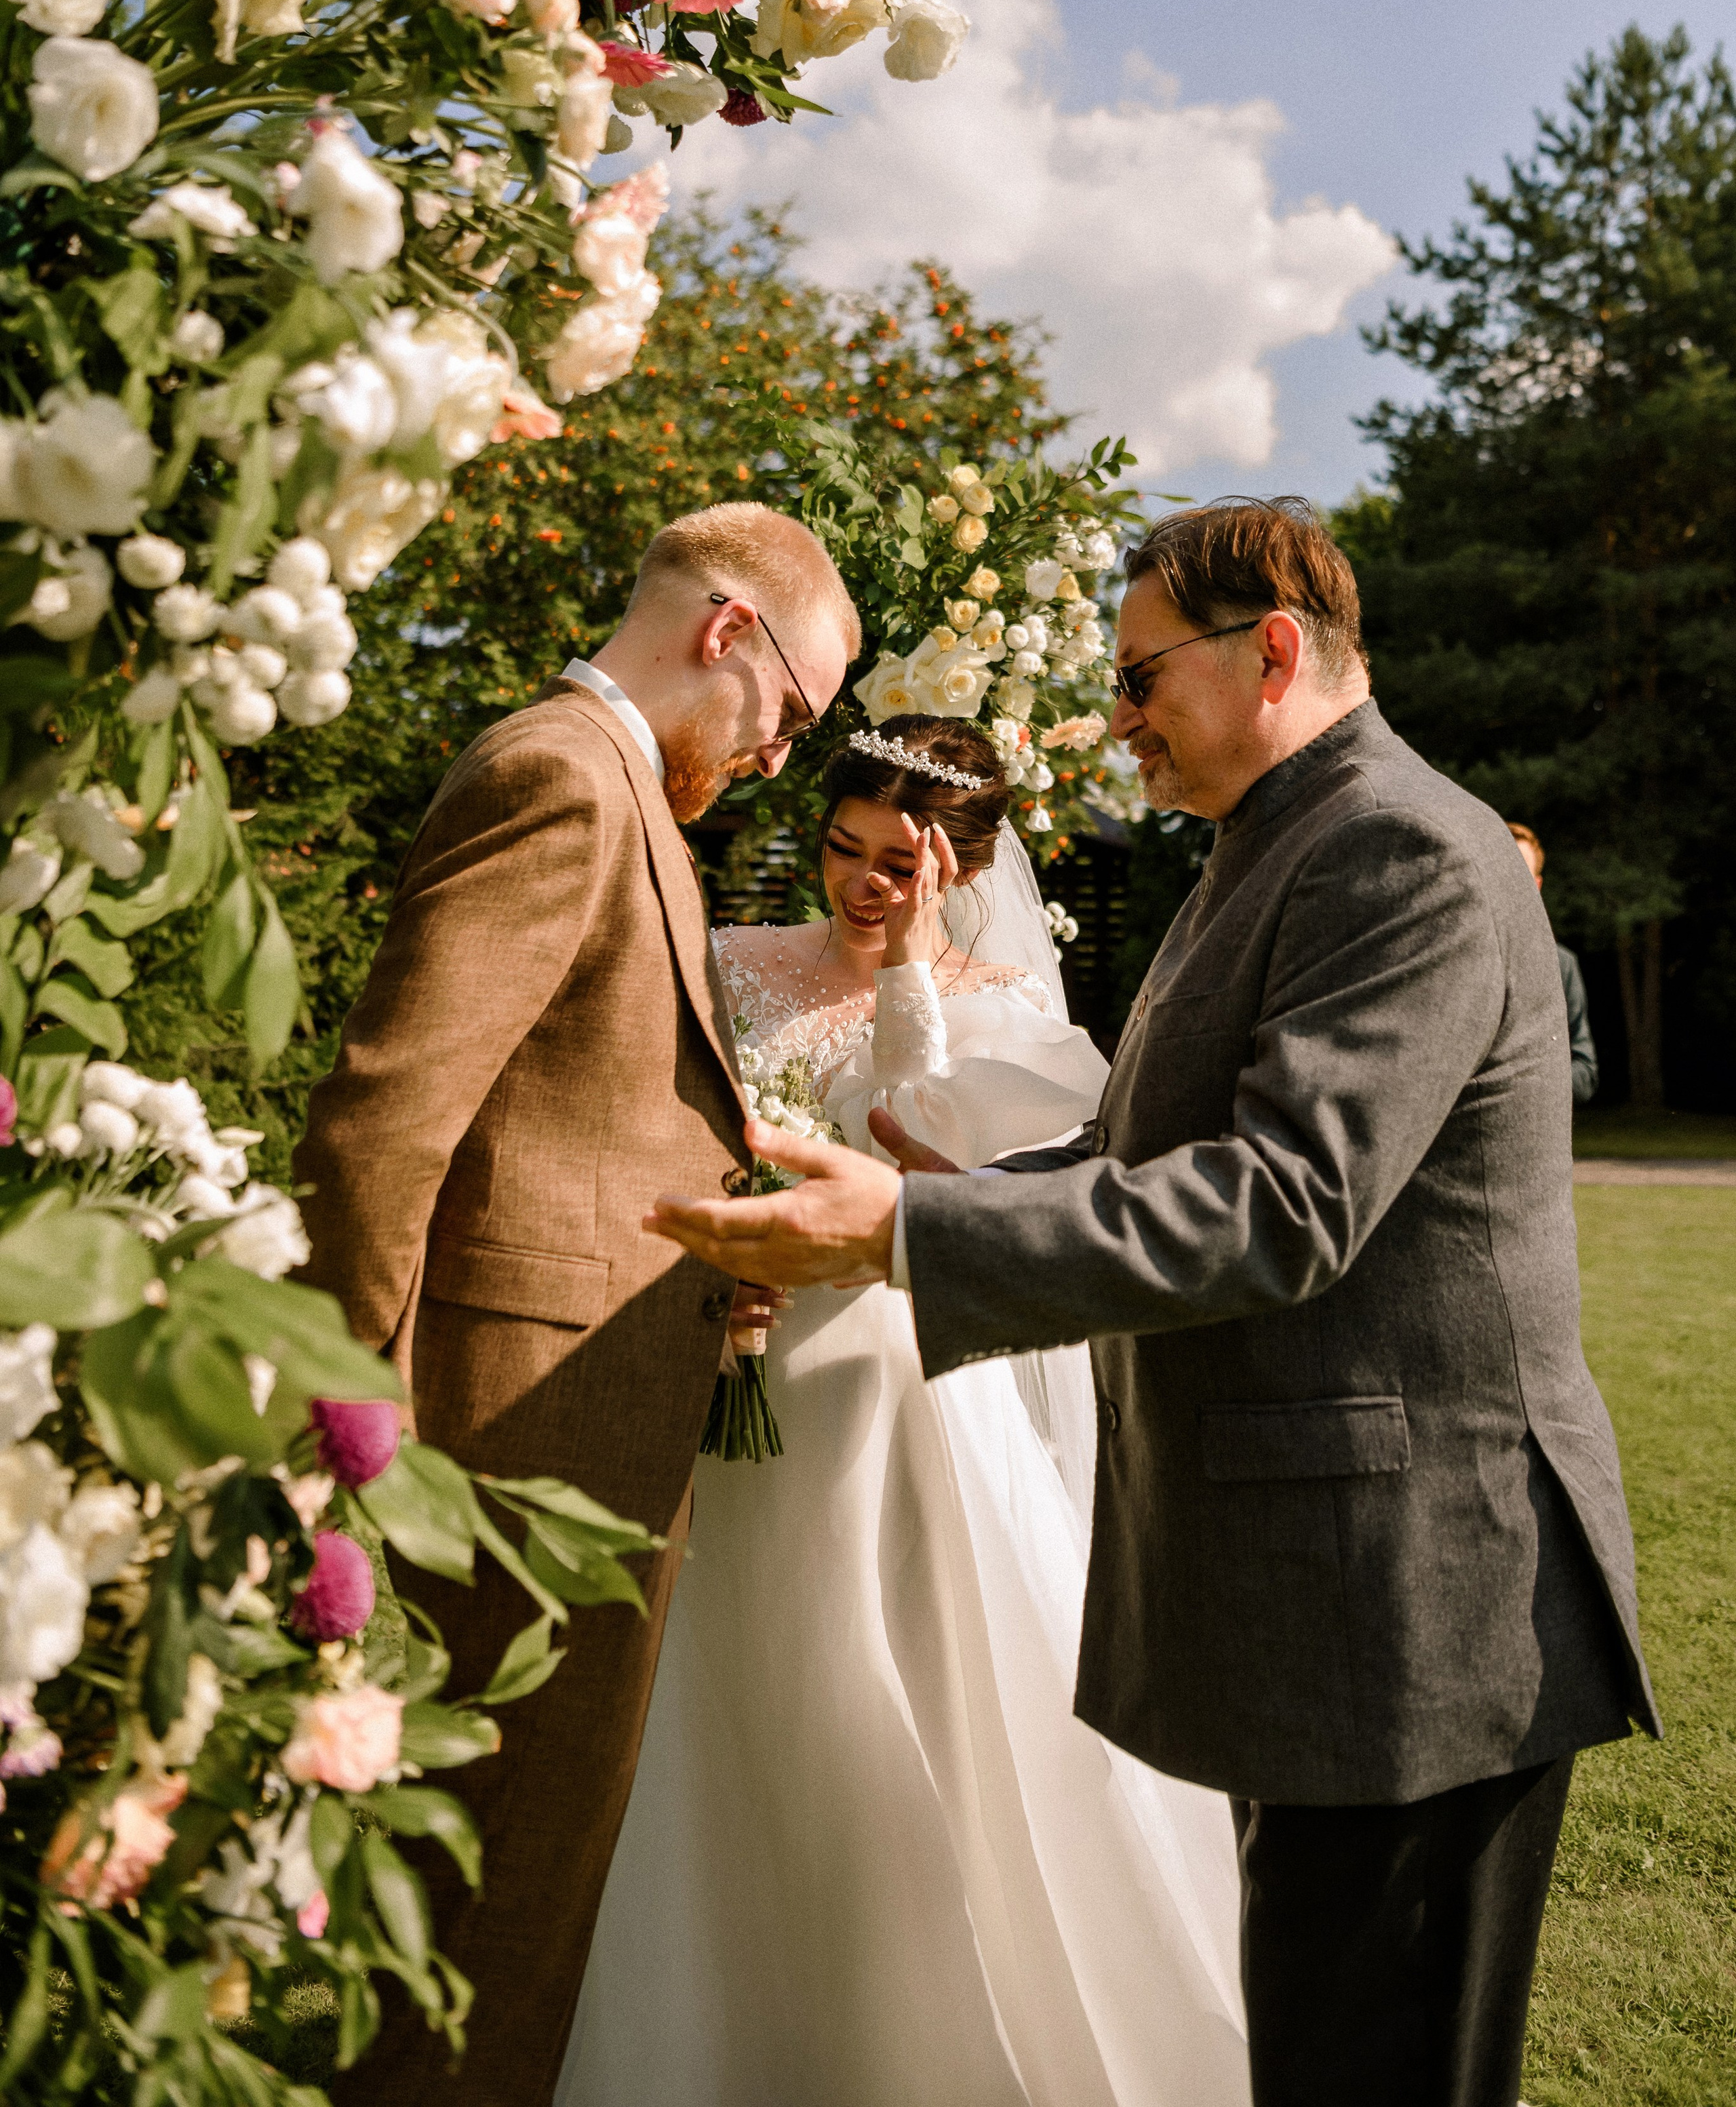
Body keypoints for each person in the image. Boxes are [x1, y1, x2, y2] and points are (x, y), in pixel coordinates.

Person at [646, 497, 1659, 2107]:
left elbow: (1282, 1198)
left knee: (1373, 2060)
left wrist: (900, 1233)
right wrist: (926, 1196)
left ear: (1268, 649)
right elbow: (1133, 1147)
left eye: (1138, 677)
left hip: (1417, 1599)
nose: (1113, 717)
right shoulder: (1272, 836)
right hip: (1325, 1586)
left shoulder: (1396, 844)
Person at [561, 717, 1249, 2107]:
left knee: (906, 1694)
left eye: (896, 863)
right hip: (733, 1368)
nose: (861, 884)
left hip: (908, 1395)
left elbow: (938, 1166)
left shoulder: (1011, 1016)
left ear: (957, 865)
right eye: (840, 851)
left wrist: (904, 977)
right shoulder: (736, 963)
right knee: (731, 1699)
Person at [296, 504, 858, 2107]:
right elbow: (381, 1126)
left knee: (524, 1888)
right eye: (791, 714)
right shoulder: (560, 771)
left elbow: (563, 1118)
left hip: (584, 1433)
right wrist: (353, 1446)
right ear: (728, 630)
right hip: (497, 1448)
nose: (776, 756)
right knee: (482, 1901)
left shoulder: (629, 796)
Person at [1507, 822, 1599, 1103]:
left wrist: (1517, 1084)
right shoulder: (1453, 954)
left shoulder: (1561, 965)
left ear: (1537, 885)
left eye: (1521, 871)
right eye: (1503, 870)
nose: (1510, 881)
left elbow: (1585, 1074)